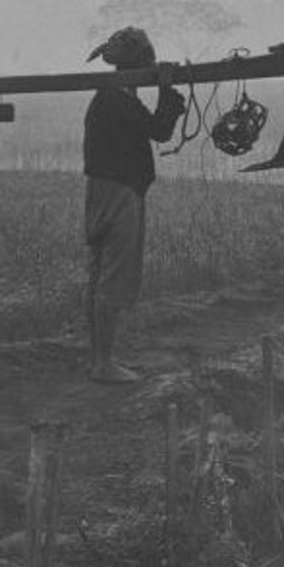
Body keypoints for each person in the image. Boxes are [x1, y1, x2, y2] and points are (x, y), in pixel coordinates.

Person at [82, 26, 185, 383]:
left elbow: (150, 128)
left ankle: (98, 359)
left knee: (99, 276)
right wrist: (167, 91)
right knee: (113, 275)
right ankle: (104, 364)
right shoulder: (118, 99)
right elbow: (159, 130)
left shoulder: (111, 95)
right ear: (140, 63)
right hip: (120, 192)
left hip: (102, 190)